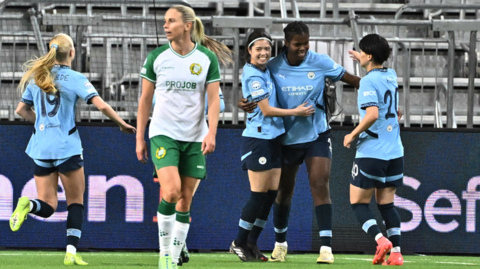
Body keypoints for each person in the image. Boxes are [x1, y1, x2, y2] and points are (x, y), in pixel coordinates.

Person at [239, 21, 361, 263]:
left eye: (306, 43)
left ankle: (326, 249)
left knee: (320, 184)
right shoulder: (271, 66)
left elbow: (353, 79)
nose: (303, 48)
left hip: (317, 134)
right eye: (298, 45)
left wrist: (383, 93)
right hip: (285, 138)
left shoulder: (321, 61)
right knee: (283, 193)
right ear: (286, 44)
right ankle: (280, 244)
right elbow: (253, 95)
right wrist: (241, 103)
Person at [10, 33, 136, 265]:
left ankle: (27, 204)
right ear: (72, 53)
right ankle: (70, 252)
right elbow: (102, 105)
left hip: (40, 147)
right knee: (75, 202)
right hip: (66, 146)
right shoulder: (76, 77)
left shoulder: (37, 77)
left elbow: (20, 110)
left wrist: (41, 124)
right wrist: (121, 124)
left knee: (47, 206)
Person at [136, 5, 232, 269]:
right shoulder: (156, 57)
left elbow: (214, 100)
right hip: (163, 133)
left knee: (185, 199)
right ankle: (164, 254)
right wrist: (140, 137)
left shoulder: (205, 59)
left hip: (195, 137)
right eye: (165, 21)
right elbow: (144, 100)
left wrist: (212, 132)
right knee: (171, 191)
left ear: (187, 25)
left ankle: (176, 254)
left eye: (171, 21)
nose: (165, 25)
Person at [229, 30, 314, 262]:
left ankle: (252, 243)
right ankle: (239, 242)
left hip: (273, 137)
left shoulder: (265, 71)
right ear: (249, 51)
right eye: (259, 48)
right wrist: (296, 112)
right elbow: (266, 110)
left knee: (270, 195)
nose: (264, 52)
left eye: (267, 48)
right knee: (258, 195)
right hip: (259, 138)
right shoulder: (253, 75)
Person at [344, 33, 404, 266]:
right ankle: (397, 253)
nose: (358, 55)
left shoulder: (367, 82)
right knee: (386, 204)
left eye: (362, 52)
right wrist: (364, 57)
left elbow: (372, 114)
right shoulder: (391, 74)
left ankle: (381, 241)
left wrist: (352, 134)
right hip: (395, 150)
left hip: (372, 151)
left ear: (369, 56)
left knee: (358, 203)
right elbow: (394, 111)